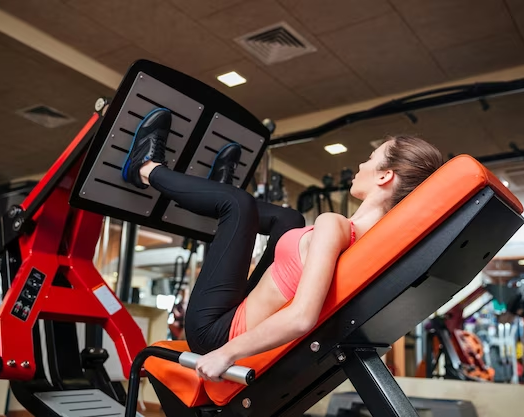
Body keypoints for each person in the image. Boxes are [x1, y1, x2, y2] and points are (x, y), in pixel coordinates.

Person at [121, 108, 444, 382]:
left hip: (216, 330)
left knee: (238, 204)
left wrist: (226, 353)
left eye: (370, 159)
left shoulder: (335, 225)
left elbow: (303, 317)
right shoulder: (363, 238)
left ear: (384, 177)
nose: (360, 166)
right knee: (287, 218)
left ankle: (145, 168)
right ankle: (212, 194)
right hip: (238, 313)